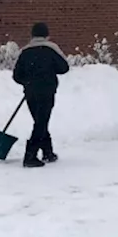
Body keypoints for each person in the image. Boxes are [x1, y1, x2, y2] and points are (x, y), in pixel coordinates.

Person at [12, 22, 70, 168]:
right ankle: (30, 156)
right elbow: (64, 68)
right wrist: (48, 71)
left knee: (40, 121)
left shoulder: (25, 52)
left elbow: (17, 75)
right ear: (46, 35)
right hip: (47, 90)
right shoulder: (51, 49)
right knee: (41, 122)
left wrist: (28, 82)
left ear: (32, 35)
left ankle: (47, 152)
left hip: (31, 93)